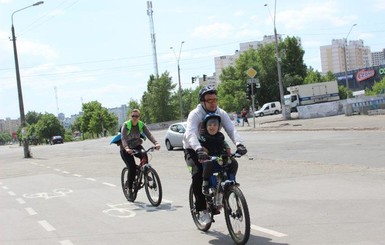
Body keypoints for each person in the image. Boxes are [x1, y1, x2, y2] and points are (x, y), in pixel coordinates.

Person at [183, 86, 247, 225]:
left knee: (228, 163)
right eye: (209, 100)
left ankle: (222, 191)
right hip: (193, 148)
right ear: (202, 102)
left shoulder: (220, 112)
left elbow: (231, 129)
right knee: (197, 174)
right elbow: (190, 133)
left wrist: (239, 144)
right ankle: (201, 210)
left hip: (214, 147)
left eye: (215, 100)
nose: (213, 103)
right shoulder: (195, 114)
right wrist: (198, 148)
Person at [120, 109, 161, 199]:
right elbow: (123, 138)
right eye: (133, 116)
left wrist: (156, 143)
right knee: (131, 167)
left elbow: (149, 134)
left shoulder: (141, 124)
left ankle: (145, 173)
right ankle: (130, 189)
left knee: (144, 155)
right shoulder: (126, 125)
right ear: (131, 116)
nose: (135, 118)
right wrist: (127, 148)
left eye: (137, 116)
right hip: (125, 149)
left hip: (136, 145)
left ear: (139, 117)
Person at [199, 113, 237, 196]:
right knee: (209, 163)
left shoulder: (220, 136)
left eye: (215, 125)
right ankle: (205, 183)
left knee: (233, 162)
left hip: (221, 158)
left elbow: (224, 143)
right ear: (206, 126)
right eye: (210, 125)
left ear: (218, 126)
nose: (212, 127)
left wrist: (228, 150)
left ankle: (232, 181)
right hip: (210, 159)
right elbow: (202, 147)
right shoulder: (203, 137)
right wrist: (204, 153)